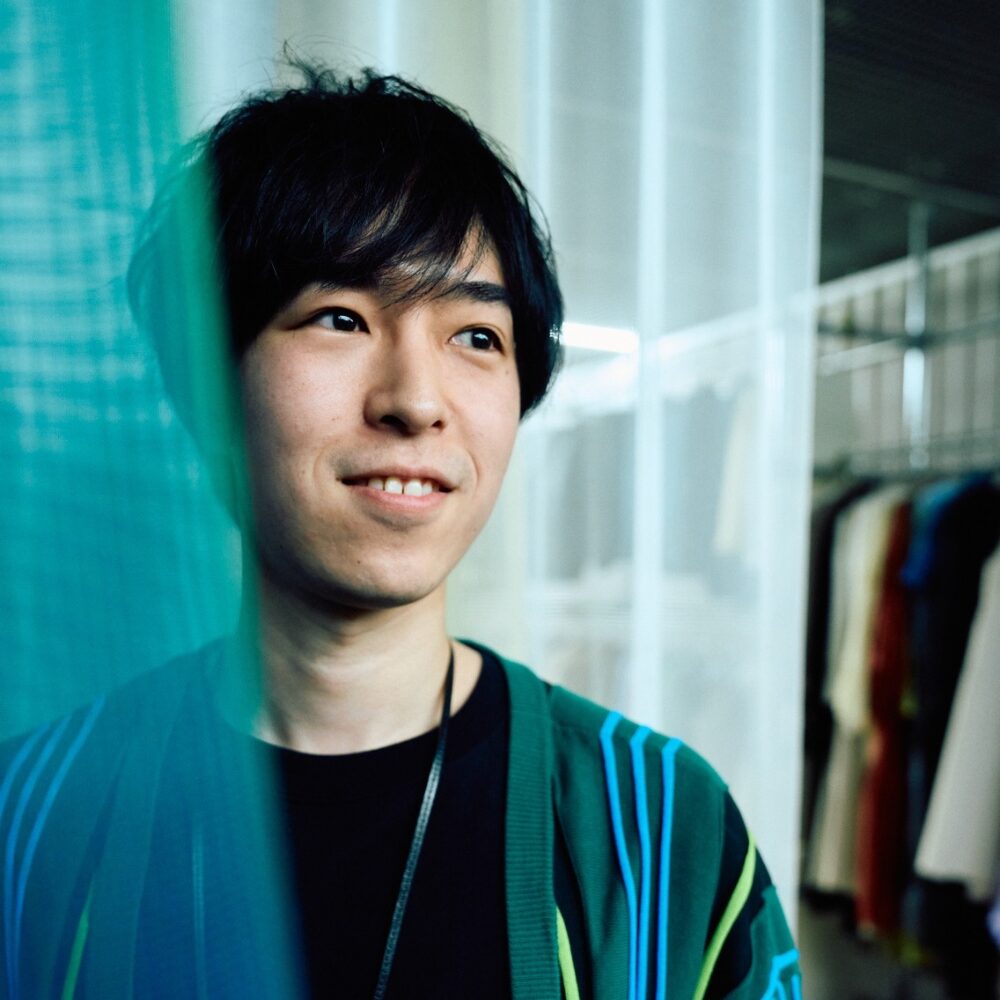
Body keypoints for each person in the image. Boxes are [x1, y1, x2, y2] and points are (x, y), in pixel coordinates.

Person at [0, 64, 800, 999]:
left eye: (476, 337)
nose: (416, 401)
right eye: (340, 318)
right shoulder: (34, 817)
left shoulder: (662, 834)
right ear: (205, 385)